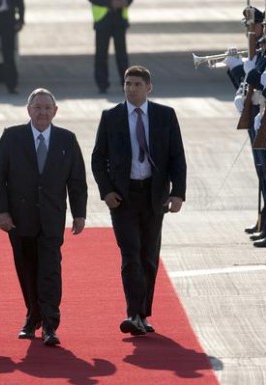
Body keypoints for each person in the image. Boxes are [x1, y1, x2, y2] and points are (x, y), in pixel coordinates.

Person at [91, 65, 187, 336]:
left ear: (149, 87)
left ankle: (142, 314)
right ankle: (133, 313)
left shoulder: (165, 116)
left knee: (148, 256)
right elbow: (99, 158)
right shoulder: (111, 117)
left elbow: (177, 157)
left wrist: (178, 192)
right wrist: (106, 191)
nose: (131, 88)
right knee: (130, 254)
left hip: (154, 196)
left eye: (136, 84)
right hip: (123, 198)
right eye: (127, 83)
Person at [0, 88, 87, 346]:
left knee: (50, 271)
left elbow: (77, 180)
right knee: (27, 271)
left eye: (47, 108)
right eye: (37, 107)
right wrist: (1, 212)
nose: (42, 112)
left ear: (55, 111)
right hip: (19, 219)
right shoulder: (12, 137)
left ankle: (49, 325)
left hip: (52, 218)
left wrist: (79, 214)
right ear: (28, 110)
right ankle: (32, 316)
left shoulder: (67, 139)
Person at [89, 0, 133, 94]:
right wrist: (110, 3)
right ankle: (102, 85)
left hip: (120, 17)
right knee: (101, 55)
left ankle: (126, 83)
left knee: (122, 56)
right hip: (102, 18)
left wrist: (126, 2)